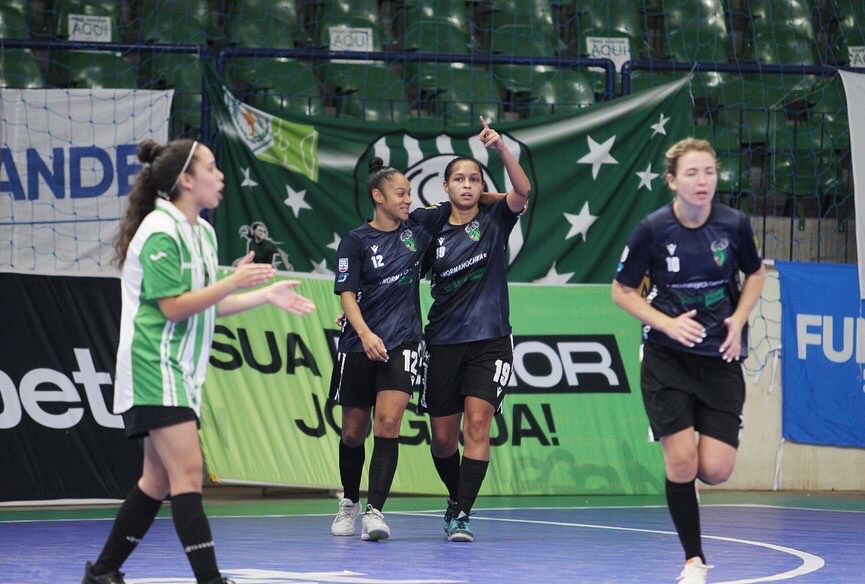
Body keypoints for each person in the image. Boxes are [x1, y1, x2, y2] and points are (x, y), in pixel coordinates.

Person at [83, 139, 315, 584]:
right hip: (155, 366)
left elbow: (204, 306)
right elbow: (171, 306)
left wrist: (262, 293)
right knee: (188, 473)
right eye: (211, 166)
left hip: (181, 372)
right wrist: (231, 283)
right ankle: (209, 580)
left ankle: (103, 573)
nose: (220, 174)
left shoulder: (203, 233)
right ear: (186, 180)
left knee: (156, 480)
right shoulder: (159, 231)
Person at [611, 138, 765, 584]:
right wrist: (667, 324)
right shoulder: (652, 230)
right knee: (681, 464)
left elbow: (754, 274)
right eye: (693, 173)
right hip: (666, 359)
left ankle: (699, 444)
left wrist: (738, 319)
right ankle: (693, 560)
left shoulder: (734, 225)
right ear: (673, 181)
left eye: (710, 172)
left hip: (719, 356)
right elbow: (621, 292)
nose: (703, 181)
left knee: (714, 470)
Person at [329, 156, 452, 541]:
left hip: (403, 341)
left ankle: (375, 512)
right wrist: (364, 332)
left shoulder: (418, 227)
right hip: (359, 343)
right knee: (353, 431)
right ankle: (349, 501)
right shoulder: (355, 240)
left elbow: (476, 200)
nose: (408, 200)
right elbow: (347, 293)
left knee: (387, 425)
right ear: (377, 196)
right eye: (401, 193)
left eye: (410, 193)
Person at [421, 116, 530, 542]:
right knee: (443, 440)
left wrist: (500, 149)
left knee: (477, 425)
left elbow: (522, 192)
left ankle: (461, 514)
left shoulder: (496, 220)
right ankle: (456, 498)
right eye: (458, 179)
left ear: (480, 187)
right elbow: (395, 268)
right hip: (443, 342)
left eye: (473, 180)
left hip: (491, 341)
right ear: (445, 187)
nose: (466, 185)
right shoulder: (428, 229)